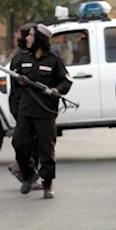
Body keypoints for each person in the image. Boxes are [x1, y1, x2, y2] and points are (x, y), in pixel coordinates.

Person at [12, 24, 72, 198]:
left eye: (30, 35)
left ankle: (47, 183)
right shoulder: (23, 57)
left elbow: (66, 82)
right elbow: (15, 80)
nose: (27, 38)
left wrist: (56, 90)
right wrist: (20, 82)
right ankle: (29, 175)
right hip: (26, 109)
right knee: (20, 143)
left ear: (38, 39)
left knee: (46, 148)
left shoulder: (54, 60)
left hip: (45, 111)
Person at [7, 23, 41, 190]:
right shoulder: (22, 57)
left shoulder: (27, 54)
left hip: (25, 106)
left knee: (32, 141)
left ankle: (28, 172)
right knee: (26, 141)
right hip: (22, 106)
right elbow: (18, 88)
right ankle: (24, 170)